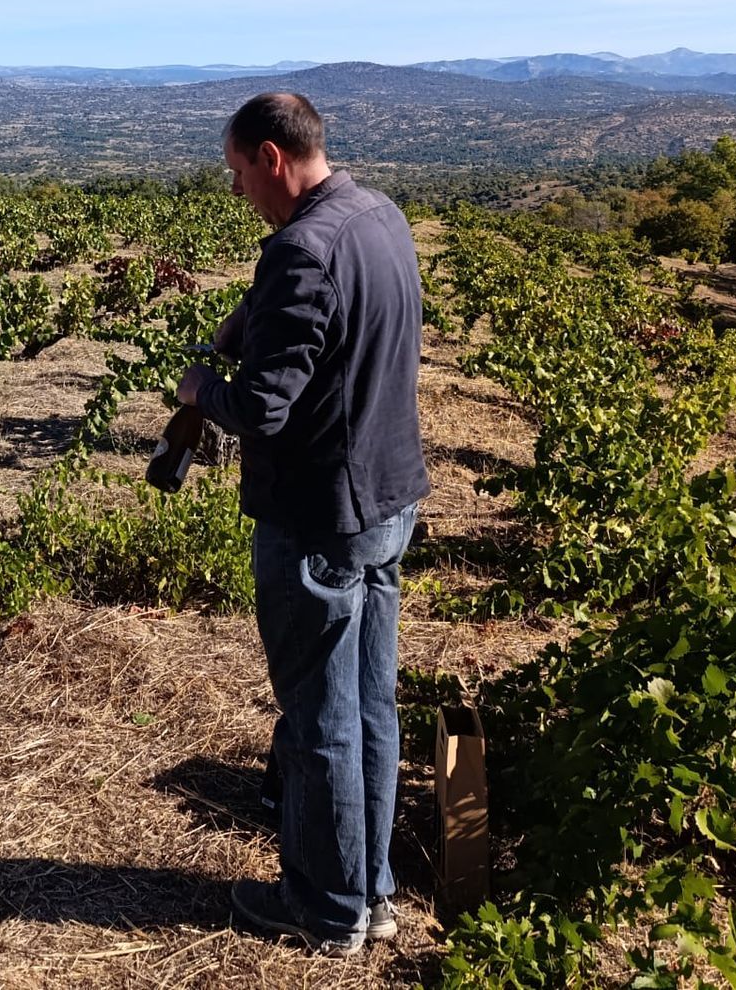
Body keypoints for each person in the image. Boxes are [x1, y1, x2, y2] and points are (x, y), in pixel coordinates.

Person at [177, 93, 430, 957]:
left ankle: (326, 908)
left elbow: (264, 407)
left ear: (272, 158)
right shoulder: (376, 214)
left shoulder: (302, 248)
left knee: (320, 715)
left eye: (240, 172)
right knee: (370, 704)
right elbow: (339, 328)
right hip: (390, 498)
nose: (240, 188)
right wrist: (252, 315)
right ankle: (373, 892)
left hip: (322, 513)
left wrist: (198, 391)